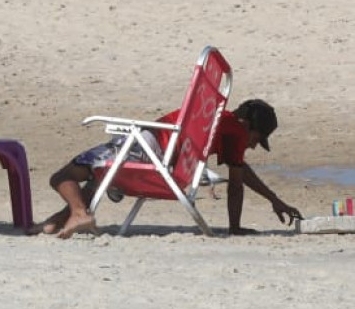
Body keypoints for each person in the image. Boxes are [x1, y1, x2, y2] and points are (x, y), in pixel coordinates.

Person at [38, 98, 299, 238]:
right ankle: (67, 218)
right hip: (149, 152)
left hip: (148, 148)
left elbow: (239, 177)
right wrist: (235, 227)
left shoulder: (218, 119)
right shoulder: (233, 131)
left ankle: (75, 214)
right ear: (247, 126)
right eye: (257, 139)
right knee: (74, 177)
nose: (253, 146)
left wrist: (273, 200)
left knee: (74, 175)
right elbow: (237, 185)